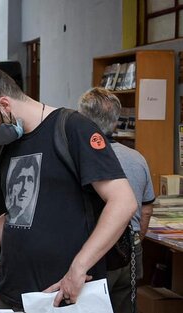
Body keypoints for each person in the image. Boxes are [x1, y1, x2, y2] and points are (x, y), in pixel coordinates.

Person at [0, 66, 137, 311]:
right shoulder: (9, 145)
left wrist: (78, 267)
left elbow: (123, 202)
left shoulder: (73, 129)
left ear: (4, 104)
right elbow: (17, 215)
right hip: (12, 292)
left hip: (61, 295)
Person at [78, 87, 155, 313]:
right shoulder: (137, 157)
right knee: (124, 304)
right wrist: (136, 239)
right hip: (131, 249)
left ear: (82, 119)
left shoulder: (81, 157)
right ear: (116, 121)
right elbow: (147, 209)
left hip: (95, 249)